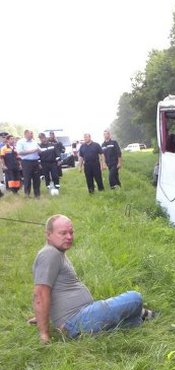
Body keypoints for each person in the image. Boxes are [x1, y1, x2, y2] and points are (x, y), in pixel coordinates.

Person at [31, 214, 154, 344]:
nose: (69, 237)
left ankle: (136, 317)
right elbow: (40, 294)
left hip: (81, 317)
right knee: (135, 298)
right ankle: (140, 313)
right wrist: (44, 334)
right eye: (63, 233)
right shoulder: (49, 254)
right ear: (48, 234)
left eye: (71, 232)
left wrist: (42, 317)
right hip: (76, 320)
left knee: (132, 323)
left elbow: (53, 291)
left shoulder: (56, 253)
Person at [16, 129, 42, 198]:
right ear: (26, 134)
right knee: (27, 178)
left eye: (32, 133)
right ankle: (27, 194)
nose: (32, 135)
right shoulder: (20, 142)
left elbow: (40, 150)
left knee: (36, 179)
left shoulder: (34, 142)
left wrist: (39, 150)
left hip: (35, 162)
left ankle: (37, 195)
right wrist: (32, 151)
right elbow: (19, 152)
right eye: (31, 133)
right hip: (26, 162)